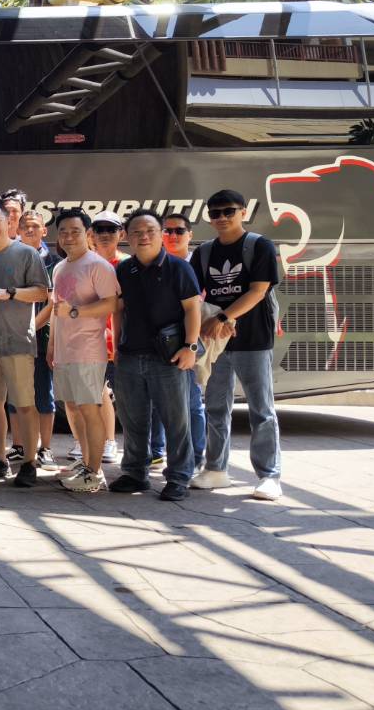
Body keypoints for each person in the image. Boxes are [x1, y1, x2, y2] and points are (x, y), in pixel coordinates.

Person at [193, 189, 283, 499]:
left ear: (243, 212)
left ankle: (269, 475)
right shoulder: (204, 252)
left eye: (228, 211)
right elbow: (193, 295)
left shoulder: (260, 246)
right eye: (215, 213)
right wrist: (212, 323)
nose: (221, 218)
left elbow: (258, 291)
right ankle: (216, 469)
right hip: (216, 343)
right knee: (216, 407)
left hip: (254, 339)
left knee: (261, 409)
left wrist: (223, 317)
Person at [108, 208, 202, 500]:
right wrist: (117, 347)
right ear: (127, 237)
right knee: (133, 421)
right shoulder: (124, 270)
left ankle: (178, 478)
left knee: (176, 421)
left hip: (169, 357)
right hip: (130, 356)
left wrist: (190, 347)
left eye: (150, 231)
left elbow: (192, 309)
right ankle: (135, 473)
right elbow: (119, 310)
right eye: (137, 232)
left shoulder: (179, 268)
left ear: (161, 234)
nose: (144, 236)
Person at [0, 202, 50, 487]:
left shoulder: (26, 253)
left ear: (7, 223)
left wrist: (11, 292)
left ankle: (29, 462)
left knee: (24, 405)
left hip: (18, 341)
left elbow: (42, 292)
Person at [47, 210, 119, 493]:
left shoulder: (98, 266)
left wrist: (75, 311)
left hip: (88, 350)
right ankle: (86, 464)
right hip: (64, 350)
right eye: (63, 231)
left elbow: (112, 304)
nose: (68, 237)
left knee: (90, 409)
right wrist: (52, 345)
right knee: (73, 408)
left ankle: (95, 472)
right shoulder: (59, 267)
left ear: (87, 234)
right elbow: (57, 310)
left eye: (75, 231)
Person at [149, 211, 208, 474]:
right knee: (156, 401)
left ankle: (195, 457)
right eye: (168, 231)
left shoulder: (199, 264)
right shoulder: (153, 261)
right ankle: (156, 452)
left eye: (179, 231)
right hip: (157, 342)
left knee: (191, 402)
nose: (173, 236)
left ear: (190, 235)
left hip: (188, 342)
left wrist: (191, 345)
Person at [20, 209, 61, 469]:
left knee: (44, 395)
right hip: (15, 338)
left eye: (35, 226)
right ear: (18, 231)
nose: (30, 230)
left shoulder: (55, 262)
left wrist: (32, 327)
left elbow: (54, 302)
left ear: (44, 230)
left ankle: (45, 448)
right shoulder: (12, 258)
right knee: (18, 397)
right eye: (25, 226)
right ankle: (21, 447)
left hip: (43, 337)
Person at [89, 211, 125, 466]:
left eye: (110, 229)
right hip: (90, 343)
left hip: (120, 343)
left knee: (124, 398)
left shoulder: (127, 265)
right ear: (91, 234)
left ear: (120, 234)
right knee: (91, 396)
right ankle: (90, 443)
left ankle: (113, 443)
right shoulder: (85, 263)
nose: (104, 234)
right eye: (99, 229)